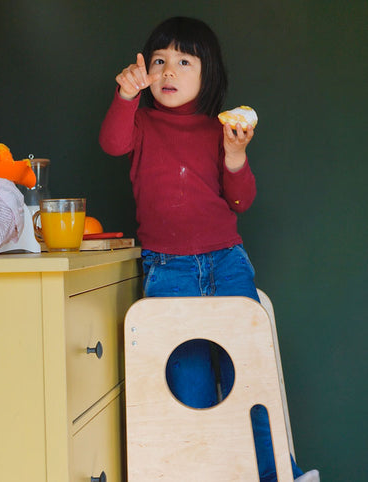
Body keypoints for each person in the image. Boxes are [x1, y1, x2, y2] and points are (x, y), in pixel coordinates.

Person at [99, 16, 319, 482]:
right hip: (167, 270)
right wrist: (124, 96)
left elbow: (241, 201)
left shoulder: (218, 130)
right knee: (187, 387)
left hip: (226, 262)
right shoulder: (139, 121)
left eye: (184, 61)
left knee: (248, 380)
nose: (169, 72)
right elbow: (112, 143)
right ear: (145, 71)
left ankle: (279, 473)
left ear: (209, 74)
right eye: (159, 61)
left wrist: (236, 156)